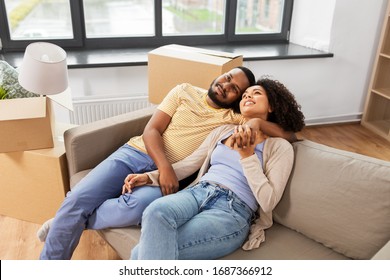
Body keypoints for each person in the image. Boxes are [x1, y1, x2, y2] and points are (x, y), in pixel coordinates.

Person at [39, 67, 294, 260]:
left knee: (138, 206)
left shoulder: (235, 120)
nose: (226, 86)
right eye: (228, 78)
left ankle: (67, 221)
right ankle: (65, 226)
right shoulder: (185, 91)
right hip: (136, 154)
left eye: (236, 89)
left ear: (236, 101)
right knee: (77, 201)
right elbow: (152, 131)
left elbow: (290, 134)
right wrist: (161, 169)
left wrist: (258, 123)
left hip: (182, 180)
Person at [127, 77, 305, 259]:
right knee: (155, 211)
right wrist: (150, 177)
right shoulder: (224, 131)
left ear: (271, 106)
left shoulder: (280, 147)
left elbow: (268, 201)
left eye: (256, 93)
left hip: (232, 210)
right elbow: (190, 164)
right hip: (197, 193)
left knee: (139, 254)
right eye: (244, 95)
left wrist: (248, 156)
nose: (248, 96)